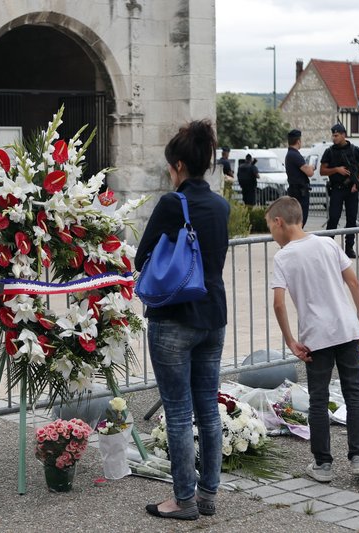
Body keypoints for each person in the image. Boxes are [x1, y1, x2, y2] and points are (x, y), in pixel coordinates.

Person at [135, 119, 230, 521]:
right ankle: (207, 494)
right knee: (208, 408)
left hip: (174, 317)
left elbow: (142, 258)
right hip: (213, 315)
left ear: (177, 164)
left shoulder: (173, 204)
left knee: (177, 411)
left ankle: (182, 500)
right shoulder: (221, 205)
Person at [265, 196, 359, 483]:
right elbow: (353, 282)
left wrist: (290, 340)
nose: (272, 235)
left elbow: (278, 303)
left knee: (319, 398)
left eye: (270, 228)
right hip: (347, 328)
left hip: (316, 335)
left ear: (279, 222)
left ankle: (323, 464)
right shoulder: (328, 243)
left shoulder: (283, 256)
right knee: (354, 394)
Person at [320, 124, 359, 259]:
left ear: (343, 135)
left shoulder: (354, 150)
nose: (334, 138)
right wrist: (336, 170)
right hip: (337, 189)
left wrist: (357, 183)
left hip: (351, 190)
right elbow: (322, 171)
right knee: (333, 218)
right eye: (333, 135)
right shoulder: (329, 151)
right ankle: (328, 247)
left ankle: (349, 247)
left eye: (336, 135)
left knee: (352, 219)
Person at [284, 129, 316, 227]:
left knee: (296, 220)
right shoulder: (295, 155)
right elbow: (309, 172)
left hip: (295, 190)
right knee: (300, 220)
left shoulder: (290, 154)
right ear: (298, 141)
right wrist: (312, 167)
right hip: (299, 193)